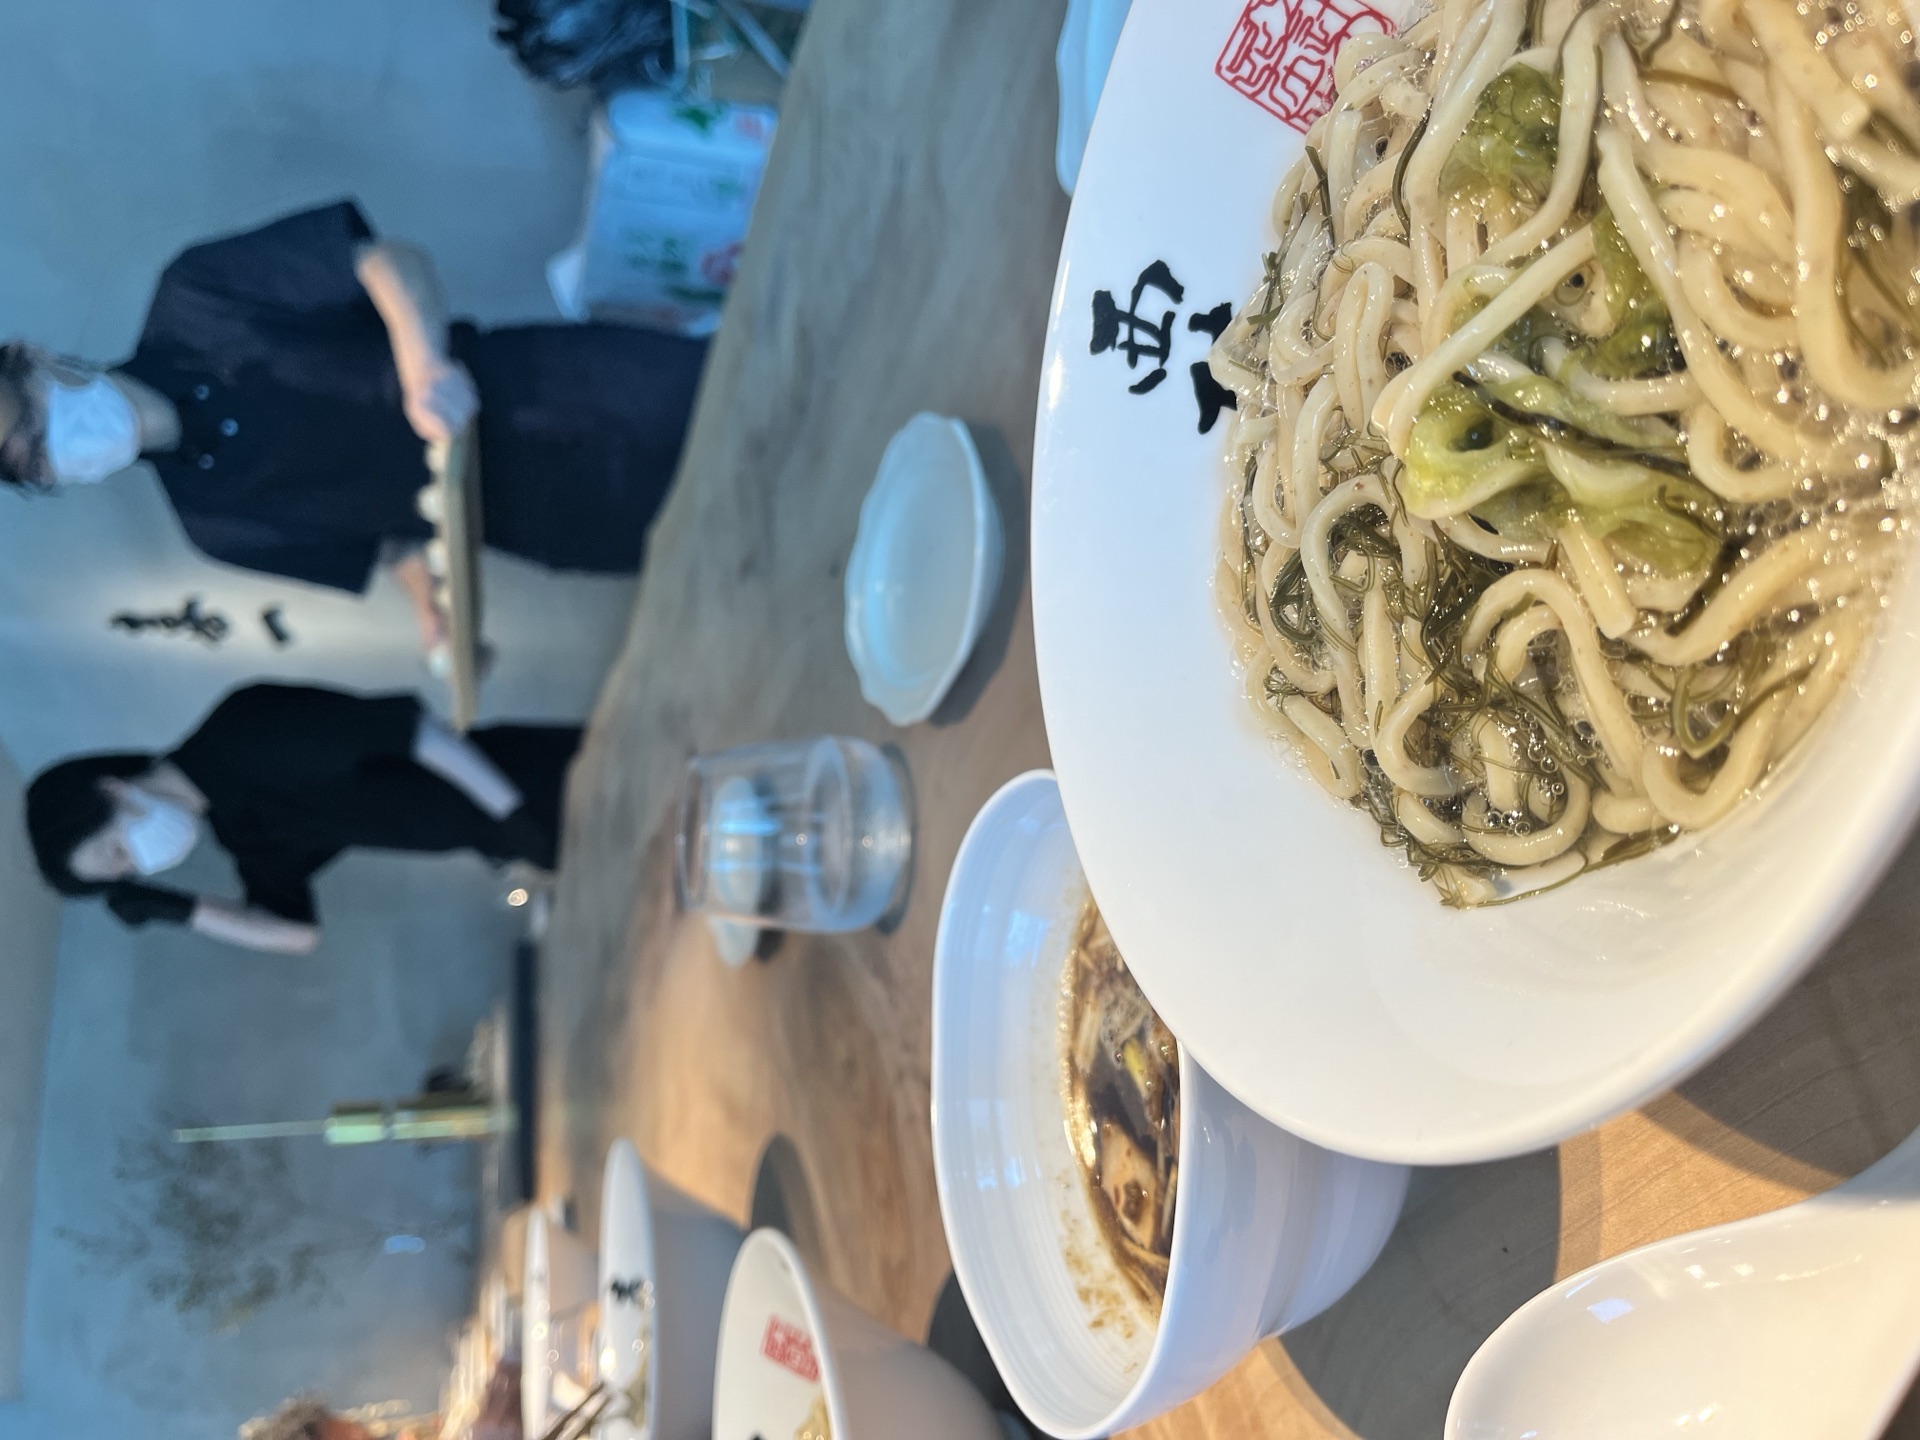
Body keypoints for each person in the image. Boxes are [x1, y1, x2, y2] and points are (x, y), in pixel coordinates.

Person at [0, 200, 707, 652]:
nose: (55, 444)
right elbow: (387, 541)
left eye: (30, 416)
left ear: (33, 360)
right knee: (722, 543)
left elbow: (386, 260)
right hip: (541, 522)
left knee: (758, 407)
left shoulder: (198, 297)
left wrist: (424, 364)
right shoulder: (213, 525)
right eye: (32, 460)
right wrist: (438, 611)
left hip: (568, 390)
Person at [26, 682, 578, 954]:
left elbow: (416, 732)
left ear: (113, 792)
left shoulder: (239, 731)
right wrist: (181, 910)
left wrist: (514, 813)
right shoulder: (244, 832)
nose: (138, 864)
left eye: (117, 852)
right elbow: (295, 934)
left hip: (530, 778)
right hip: (511, 835)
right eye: (125, 873)